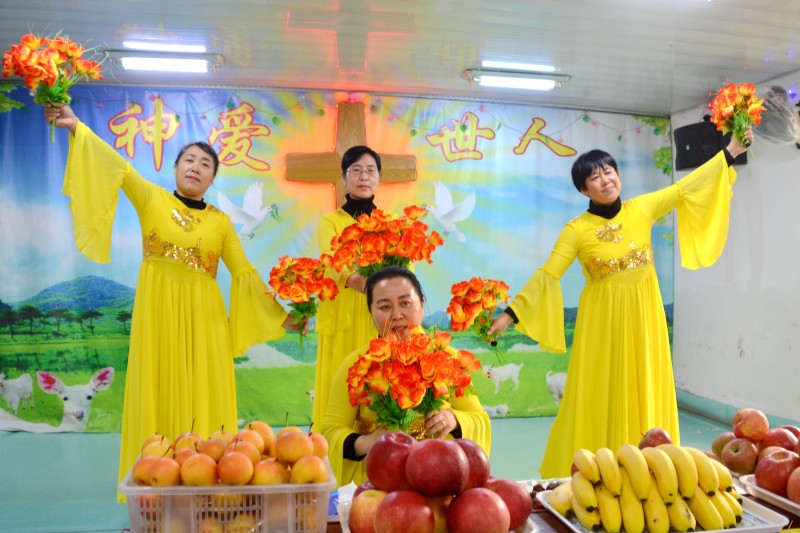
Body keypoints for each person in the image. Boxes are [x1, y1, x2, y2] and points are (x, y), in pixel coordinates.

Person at [43, 103, 305, 500]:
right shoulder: (152, 199)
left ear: (213, 177)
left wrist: (283, 318)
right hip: (159, 315)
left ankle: (210, 478)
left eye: (205, 164)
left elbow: (244, 273)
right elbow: (118, 168)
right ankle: (155, 483)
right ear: (177, 168)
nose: (196, 167)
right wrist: (76, 126)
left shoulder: (220, 221)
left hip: (205, 319)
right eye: (189, 160)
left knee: (204, 389)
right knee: (158, 385)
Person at [488, 128, 755, 478]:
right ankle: (599, 467)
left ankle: (651, 465)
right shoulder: (576, 230)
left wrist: (731, 150)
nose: (604, 180)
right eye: (594, 177)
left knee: (646, 380)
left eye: (608, 172)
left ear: (618, 175)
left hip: (644, 317)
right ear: (583, 189)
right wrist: (511, 314)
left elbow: (686, 188)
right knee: (601, 390)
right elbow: (549, 273)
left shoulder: (641, 209)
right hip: (601, 322)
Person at [322, 266, 491, 488]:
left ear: (421, 305)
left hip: (441, 482)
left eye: (405, 303)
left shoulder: (449, 360)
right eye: (384, 306)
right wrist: (366, 442)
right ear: (370, 312)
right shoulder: (356, 365)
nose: (396, 315)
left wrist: (453, 420)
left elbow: (480, 420)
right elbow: (330, 432)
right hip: (378, 486)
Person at [312, 146, 387, 429]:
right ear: (344, 177)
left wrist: (391, 299)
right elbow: (331, 262)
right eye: (356, 170)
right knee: (340, 383)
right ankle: (338, 453)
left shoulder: (392, 223)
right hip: (342, 314)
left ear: (378, 178)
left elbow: (405, 270)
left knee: (378, 385)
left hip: (379, 316)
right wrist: (361, 282)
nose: (363, 176)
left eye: (370, 170)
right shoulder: (329, 222)